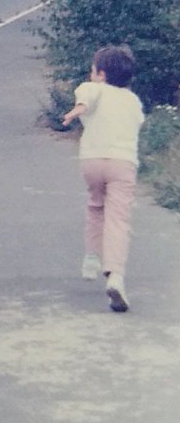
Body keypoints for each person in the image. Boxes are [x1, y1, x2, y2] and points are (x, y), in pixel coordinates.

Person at [62, 44, 145, 313]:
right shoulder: (133, 101)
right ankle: (116, 276)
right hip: (122, 162)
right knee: (118, 218)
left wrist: (80, 108)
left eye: (92, 71)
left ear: (100, 74)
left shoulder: (93, 89)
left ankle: (91, 257)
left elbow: (87, 93)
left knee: (96, 206)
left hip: (92, 161)